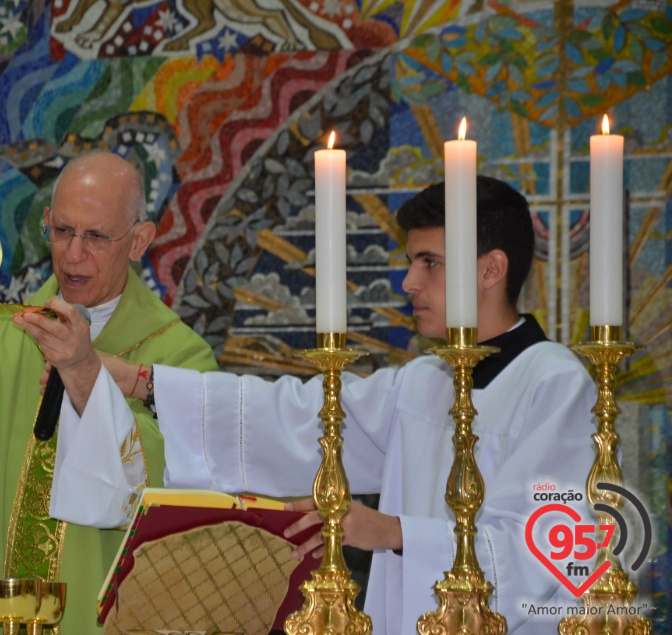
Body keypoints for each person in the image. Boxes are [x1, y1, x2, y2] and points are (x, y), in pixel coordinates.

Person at [55, 175, 599, 634]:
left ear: (490, 269)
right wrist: (140, 381)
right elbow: (300, 420)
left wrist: (394, 532)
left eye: (429, 263)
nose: (409, 281)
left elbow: (552, 554)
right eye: (411, 261)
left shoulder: (556, 385)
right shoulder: (423, 381)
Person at [0, 151, 218, 635]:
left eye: (97, 236)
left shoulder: (179, 360)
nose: (72, 254)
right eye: (61, 231)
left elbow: (164, 493)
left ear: (139, 241)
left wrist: (85, 374)